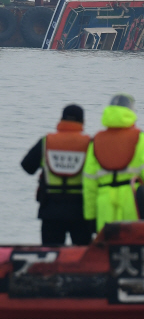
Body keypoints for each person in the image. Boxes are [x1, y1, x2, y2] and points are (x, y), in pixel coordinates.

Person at [83, 94, 144, 232]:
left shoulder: (95, 141)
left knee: (109, 250)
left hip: (104, 205)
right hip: (133, 202)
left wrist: (90, 216)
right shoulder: (142, 139)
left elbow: (89, 184)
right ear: (131, 112)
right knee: (134, 246)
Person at [20, 105, 93, 246]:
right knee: (84, 258)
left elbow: (27, 167)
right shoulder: (89, 144)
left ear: (61, 119)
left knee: (50, 257)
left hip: (50, 210)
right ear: (82, 122)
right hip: (80, 211)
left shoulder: (46, 141)